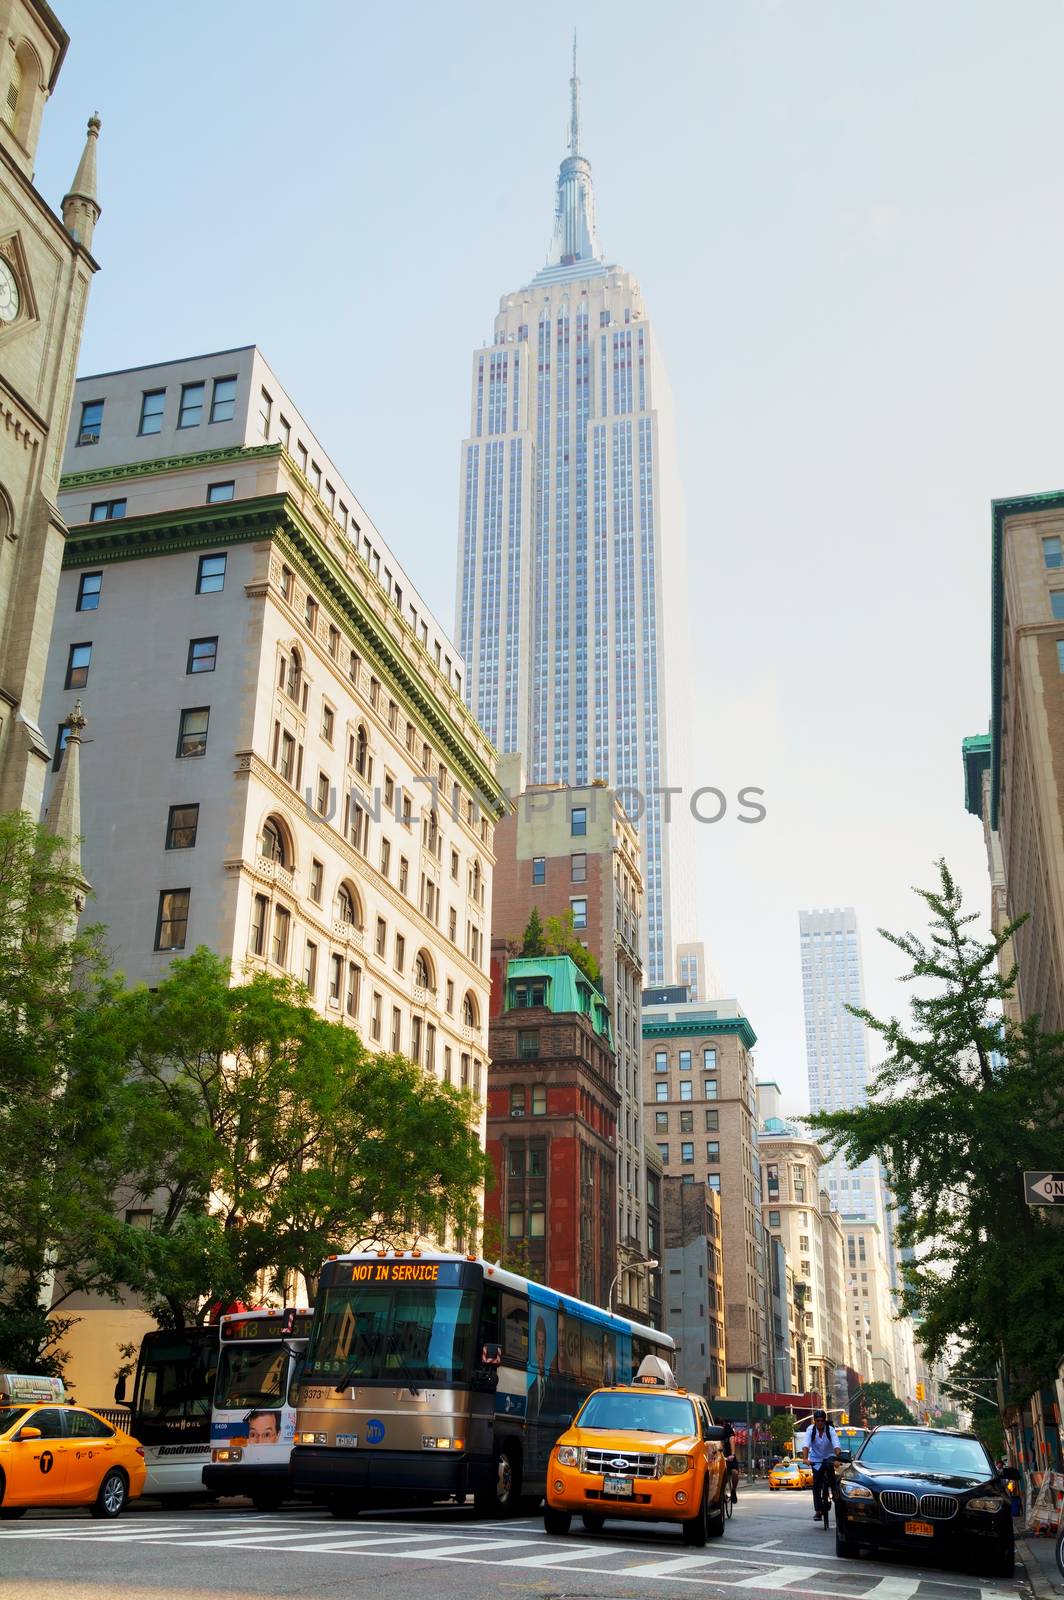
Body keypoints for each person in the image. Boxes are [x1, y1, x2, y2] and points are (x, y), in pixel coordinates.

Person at [802, 1409, 841, 1520]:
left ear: (825, 1421)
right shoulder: (810, 1430)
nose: (820, 1423)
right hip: (816, 1459)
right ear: (815, 1421)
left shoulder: (830, 1430)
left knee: (832, 1477)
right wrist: (805, 1459)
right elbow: (806, 1445)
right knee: (816, 1486)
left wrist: (838, 1459)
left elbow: (836, 1446)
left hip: (829, 1457)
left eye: (822, 1421)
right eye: (818, 1420)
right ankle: (818, 1511)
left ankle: (834, 1493)